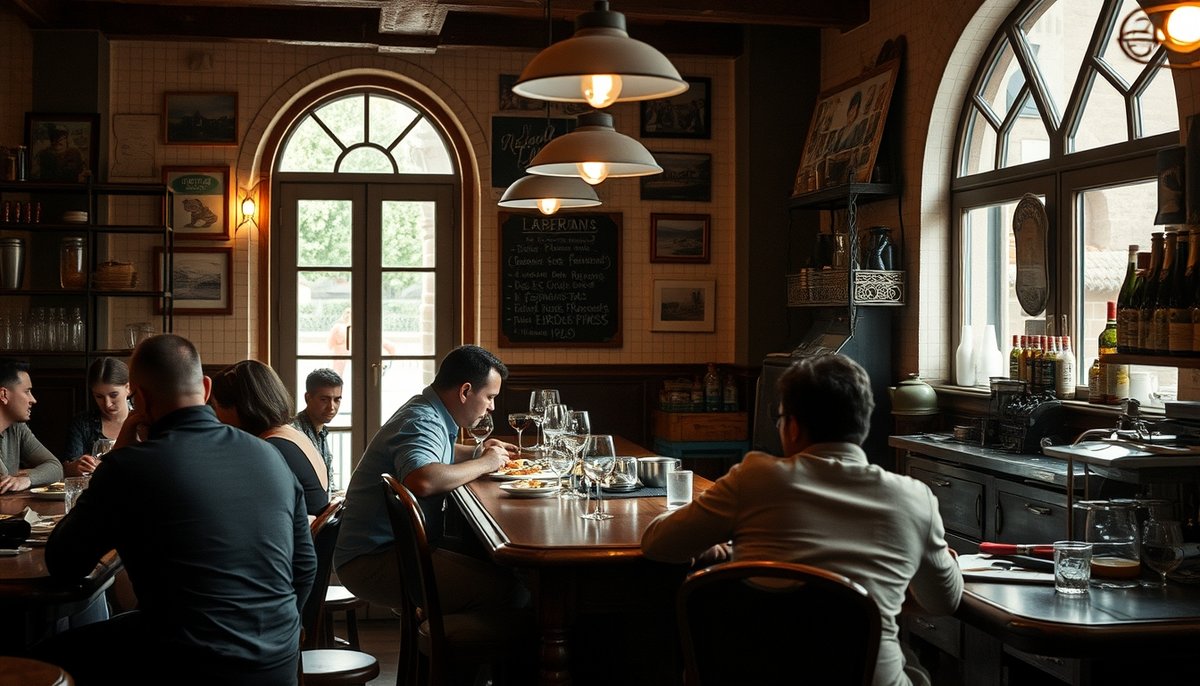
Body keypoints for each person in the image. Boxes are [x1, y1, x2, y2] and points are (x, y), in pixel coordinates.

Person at [641, 354, 962, 686]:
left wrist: (727, 552)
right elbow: (944, 601)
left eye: (780, 419)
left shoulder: (755, 478)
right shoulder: (914, 497)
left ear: (792, 426)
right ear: (862, 424)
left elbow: (658, 545)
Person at [38, 335, 316, 686]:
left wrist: (118, 453)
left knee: (39, 658)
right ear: (205, 386)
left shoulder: (128, 467)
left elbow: (64, 564)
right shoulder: (270, 456)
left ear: (139, 399)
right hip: (277, 661)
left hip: (183, 662)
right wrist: (283, 637)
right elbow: (305, 566)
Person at [334, 344, 523, 614]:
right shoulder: (422, 421)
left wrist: (479, 451)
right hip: (372, 560)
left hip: (394, 546)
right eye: (490, 397)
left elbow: (438, 454)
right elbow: (422, 479)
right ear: (465, 391)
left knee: (499, 561)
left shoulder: (428, 410)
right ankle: (456, 650)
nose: (491, 407)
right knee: (514, 592)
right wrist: (484, 463)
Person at [210, 359, 330, 517]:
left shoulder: (271, 447)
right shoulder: (289, 433)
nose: (215, 415)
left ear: (238, 406)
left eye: (215, 406)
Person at [0, 358, 62, 493]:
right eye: (27, 391)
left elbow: (56, 467)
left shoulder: (17, 428)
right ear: (4, 394)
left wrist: (27, 478)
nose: (33, 400)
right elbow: (3, 478)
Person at [63, 357, 132, 477]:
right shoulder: (83, 423)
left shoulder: (144, 421)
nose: (107, 404)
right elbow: (67, 468)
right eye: (99, 396)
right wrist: (76, 467)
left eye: (113, 395)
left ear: (128, 388)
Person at [293, 367, 343, 490]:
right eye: (324, 400)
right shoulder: (294, 432)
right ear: (308, 398)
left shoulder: (322, 431)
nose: (331, 407)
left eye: (337, 400)